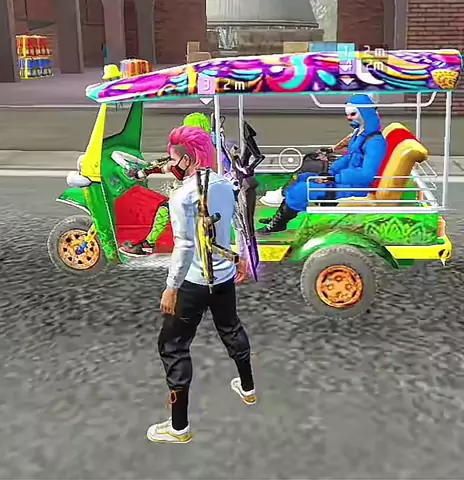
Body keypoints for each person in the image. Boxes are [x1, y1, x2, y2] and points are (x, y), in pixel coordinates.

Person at [147, 125, 255, 444]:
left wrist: (171, 287)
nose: (171, 165)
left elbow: (183, 246)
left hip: (193, 284)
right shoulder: (224, 184)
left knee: (172, 346)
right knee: (230, 328)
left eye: (173, 159)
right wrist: (242, 257)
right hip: (223, 277)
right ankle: (247, 388)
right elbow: (237, 221)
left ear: (188, 158)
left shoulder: (182, 196)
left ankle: (179, 426)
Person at [260, 94, 387, 234]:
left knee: (302, 189)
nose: (349, 118)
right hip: (345, 181)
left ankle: (279, 223)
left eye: (353, 114)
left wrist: (335, 178)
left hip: (355, 188)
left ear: (365, 113)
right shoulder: (360, 135)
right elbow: (348, 158)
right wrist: (330, 173)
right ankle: (280, 217)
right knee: (302, 177)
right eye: (347, 114)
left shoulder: (375, 142)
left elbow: (367, 175)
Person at [119, 113, 219, 258]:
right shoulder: (214, 146)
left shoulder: (193, 150)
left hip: (199, 195)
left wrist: (144, 172)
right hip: (213, 192)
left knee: (166, 209)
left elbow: (171, 165)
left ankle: (148, 245)